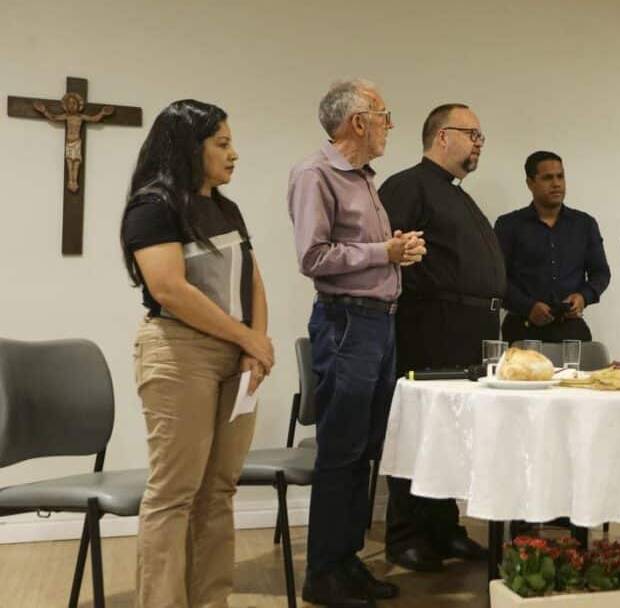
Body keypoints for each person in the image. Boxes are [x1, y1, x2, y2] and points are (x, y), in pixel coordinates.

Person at [120, 100, 273, 607]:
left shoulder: (226, 207)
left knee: (218, 492)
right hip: (179, 353)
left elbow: (252, 278)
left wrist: (258, 345)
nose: (234, 155)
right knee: (174, 495)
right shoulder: (153, 204)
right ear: (191, 147)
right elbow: (169, 289)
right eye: (222, 144)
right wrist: (246, 337)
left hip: (236, 356)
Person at [288, 79, 425, 608]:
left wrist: (394, 252)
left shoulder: (366, 179)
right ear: (358, 123)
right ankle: (324, 574)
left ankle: (347, 564)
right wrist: (382, 253)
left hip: (378, 323)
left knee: (366, 451)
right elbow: (313, 258)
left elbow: (365, 250)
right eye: (385, 115)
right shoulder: (314, 174)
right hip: (347, 323)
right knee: (341, 453)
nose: (391, 125)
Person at [379, 103, 503, 572]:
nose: (478, 143)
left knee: (452, 435)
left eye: (481, 136)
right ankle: (405, 534)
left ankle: (444, 528)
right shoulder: (408, 185)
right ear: (441, 136)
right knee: (421, 432)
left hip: (468, 330)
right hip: (429, 326)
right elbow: (391, 251)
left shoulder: (455, 192)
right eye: (472, 133)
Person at [494, 151, 611, 342]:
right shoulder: (509, 225)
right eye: (547, 178)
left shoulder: (584, 224)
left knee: (579, 372)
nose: (556, 183)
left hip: (571, 330)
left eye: (560, 176)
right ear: (530, 183)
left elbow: (601, 273)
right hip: (522, 329)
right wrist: (527, 306)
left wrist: (583, 297)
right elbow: (496, 279)